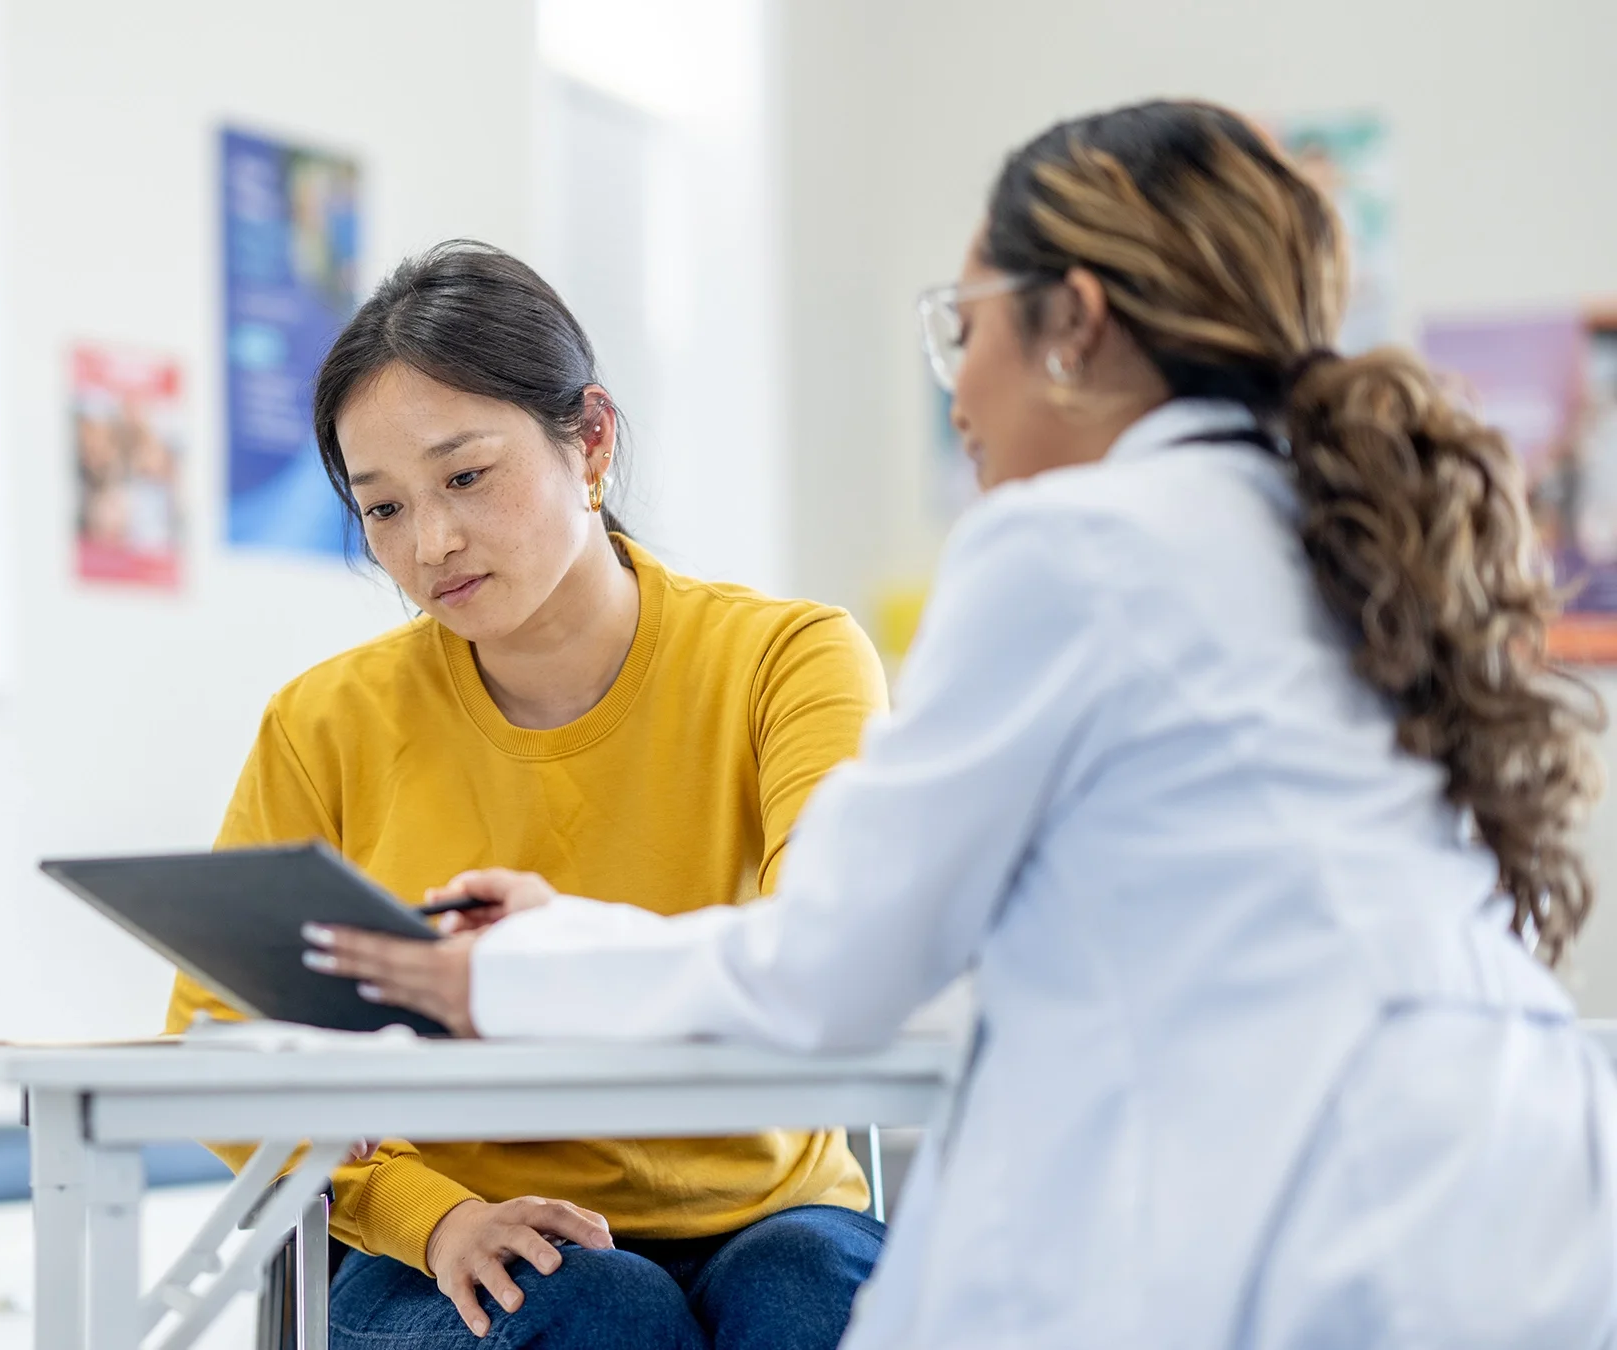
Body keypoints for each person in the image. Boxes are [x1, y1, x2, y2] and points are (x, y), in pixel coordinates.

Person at [309, 102, 1617, 1347]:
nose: (955, 395)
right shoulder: (1345, 532)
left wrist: (514, 963)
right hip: (1519, 1177)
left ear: (1078, 325)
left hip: (1321, 1199)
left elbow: (838, 962)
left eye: (962, 327)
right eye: (383, 506)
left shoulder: (1070, 547)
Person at [170, 240, 892, 1347]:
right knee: (597, 1305)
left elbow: (827, 951)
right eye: (383, 510)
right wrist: (429, 1215)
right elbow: (218, 1029)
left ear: (589, 438)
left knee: (809, 1301)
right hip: (442, 1241)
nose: (432, 545)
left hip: (768, 1207)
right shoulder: (327, 721)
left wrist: (568, 956)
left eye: (465, 477)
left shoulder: (789, 660)